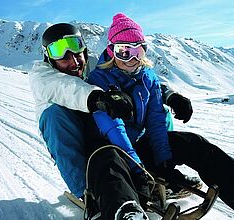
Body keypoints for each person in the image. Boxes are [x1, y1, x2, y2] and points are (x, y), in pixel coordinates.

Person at [86, 13, 234, 220]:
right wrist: (139, 170)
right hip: (115, 153)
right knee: (112, 159)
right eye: (124, 52)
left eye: (137, 51)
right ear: (111, 52)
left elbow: (156, 121)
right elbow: (114, 129)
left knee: (192, 143)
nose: (132, 59)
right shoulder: (99, 80)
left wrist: (164, 162)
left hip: (140, 147)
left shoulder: (148, 77)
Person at [29, 23, 196, 220]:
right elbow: (66, 88)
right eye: (60, 53)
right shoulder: (42, 75)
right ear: (48, 57)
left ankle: (157, 170)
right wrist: (99, 98)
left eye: (76, 49)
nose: (73, 60)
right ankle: (89, 195)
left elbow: (138, 76)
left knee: (157, 110)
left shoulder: (94, 62)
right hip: (77, 134)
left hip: (105, 129)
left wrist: (169, 96)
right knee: (54, 116)